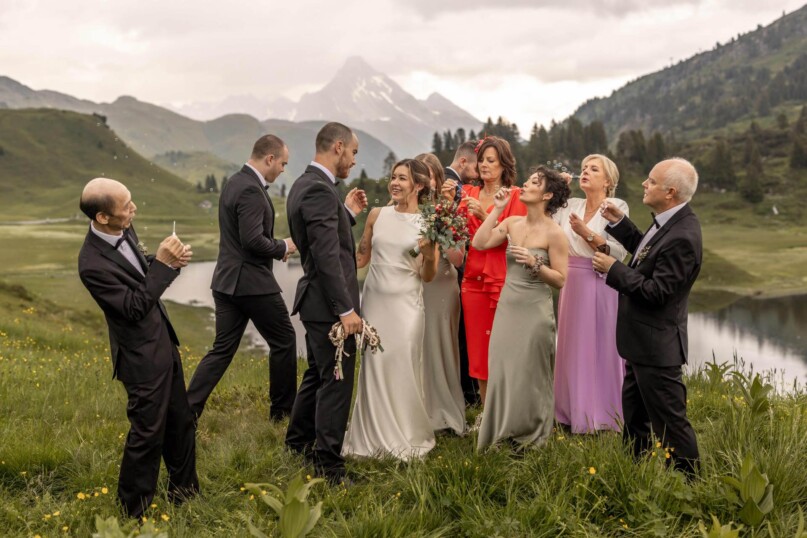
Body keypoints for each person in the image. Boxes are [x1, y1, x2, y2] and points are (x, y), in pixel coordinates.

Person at [77, 177, 198, 518]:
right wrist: (162, 265)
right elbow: (133, 307)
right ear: (102, 217)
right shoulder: (91, 264)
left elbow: (138, 267)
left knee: (181, 421)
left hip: (163, 341)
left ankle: (186, 494)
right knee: (148, 433)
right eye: (126, 206)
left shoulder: (124, 226)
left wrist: (168, 262)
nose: (134, 209)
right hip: (139, 358)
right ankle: (133, 511)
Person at [592, 157, 702, 477]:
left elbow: (658, 292)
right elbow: (649, 254)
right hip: (641, 342)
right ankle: (633, 475)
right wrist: (621, 225)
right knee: (635, 419)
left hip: (657, 346)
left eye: (651, 181)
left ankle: (689, 487)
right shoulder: (670, 220)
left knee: (671, 424)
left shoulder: (684, 236)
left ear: (670, 192)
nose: (644, 183)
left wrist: (614, 270)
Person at [187, 135, 298, 422]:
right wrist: (282, 246)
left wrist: (273, 248)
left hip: (226, 282)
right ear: (270, 159)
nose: (282, 170)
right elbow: (252, 240)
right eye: (283, 164)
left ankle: (186, 411)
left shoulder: (234, 182)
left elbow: (242, 239)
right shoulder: (250, 189)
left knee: (222, 350)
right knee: (284, 341)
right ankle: (282, 414)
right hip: (251, 284)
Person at [284, 122, 367, 484]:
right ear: (338, 147)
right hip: (328, 304)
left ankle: (297, 441)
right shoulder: (319, 189)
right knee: (336, 382)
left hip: (315, 302)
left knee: (317, 375)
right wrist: (345, 309)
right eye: (353, 152)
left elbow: (323, 234)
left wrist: (346, 214)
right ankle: (329, 467)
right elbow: (326, 254)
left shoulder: (306, 184)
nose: (353, 160)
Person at [342, 159, 440, 460]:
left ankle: (407, 433)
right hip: (375, 302)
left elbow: (427, 275)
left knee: (403, 365)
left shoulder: (429, 222)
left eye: (402, 178)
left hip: (407, 306)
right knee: (375, 365)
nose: (394, 183)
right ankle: (369, 436)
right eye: (393, 177)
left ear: (418, 185)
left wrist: (429, 256)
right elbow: (360, 259)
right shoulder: (377, 215)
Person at [473, 167, 570, 450]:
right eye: (527, 180)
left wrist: (534, 262)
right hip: (508, 307)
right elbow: (479, 243)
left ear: (547, 195)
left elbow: (560, 280)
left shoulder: (555, 233)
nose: (525, 184)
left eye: (534, 182)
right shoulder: (512, 222)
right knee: (503, 369)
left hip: (535, 310)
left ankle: (531, 433)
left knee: (531, 373)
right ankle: (503, 429)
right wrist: (497, 209)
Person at [553, 154, 629, 433]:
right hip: (571, 280)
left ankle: (605, 414)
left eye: (594, 169)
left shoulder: (616, 206)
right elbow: (544, 216)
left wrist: (586, 232)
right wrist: (559, 188)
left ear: (607, 181)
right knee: (572, 344)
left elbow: (619, 251)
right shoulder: (571, 204)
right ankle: (569, 411)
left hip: (600, 277)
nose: (585, 171)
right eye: (584, 168)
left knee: (601, 344)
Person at [460, 136, 526, 416]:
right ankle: (487, 413)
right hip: (473, 278)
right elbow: (459, 233)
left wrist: (485, 214)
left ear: (504, 165)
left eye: (491, 160)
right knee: (477, 348)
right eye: (481, 160)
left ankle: (508, 411)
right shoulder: (468, 192)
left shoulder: (516, 196)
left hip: (501, 277)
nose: (484, 165)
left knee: (503, 345)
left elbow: (515, 237)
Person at [414, 153, 466, 435]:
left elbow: (458, 259)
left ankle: (443, 411)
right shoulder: (406, 211)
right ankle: (415, 406)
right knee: (416, 344)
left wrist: (441, 225)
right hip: (413, 287)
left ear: (436, 178)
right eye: (418, 175)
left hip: (442, 287)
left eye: (428, 175)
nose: (423, 181)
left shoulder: (448, 212)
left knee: (441, 345)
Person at [443, 141, 481, 406]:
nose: (479, 174)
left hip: (456, 266)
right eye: (478, 167)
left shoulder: (456, 185)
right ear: (464, 162)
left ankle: (467, 392)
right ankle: (468, 393)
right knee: (460, 333)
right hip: (452, 267)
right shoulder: (448, 185)